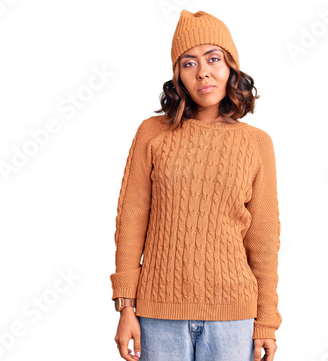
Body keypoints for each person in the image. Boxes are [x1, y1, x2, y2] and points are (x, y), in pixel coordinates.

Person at [110, 9, 282, 361]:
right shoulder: (152, 133)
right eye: (188, 63)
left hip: (233, 318)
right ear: (178, 77)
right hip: (157, 315)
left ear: (231, 67)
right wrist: (125, 306)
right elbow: (131, 220)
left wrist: (266, 321)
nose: (202, 71)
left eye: (213, 59)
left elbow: (263, 240)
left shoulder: (256, 143)